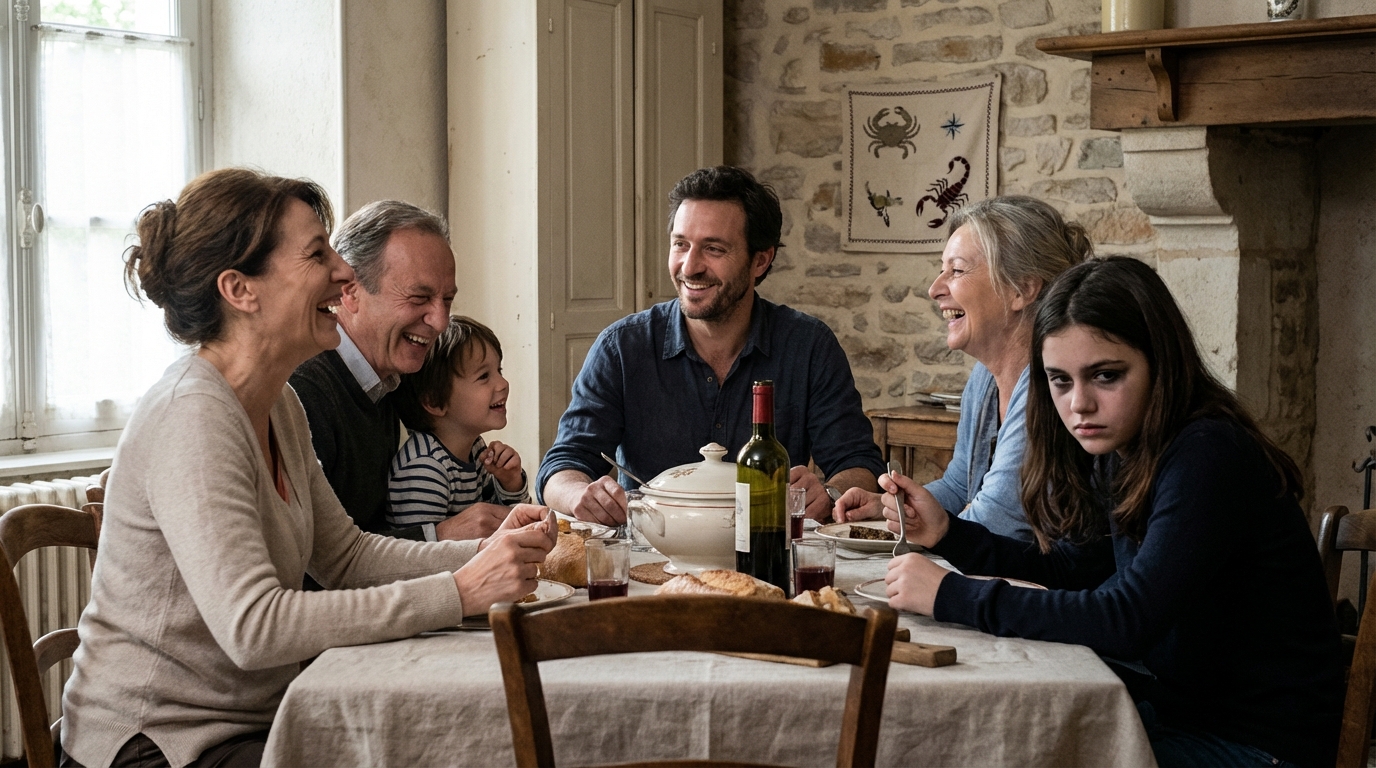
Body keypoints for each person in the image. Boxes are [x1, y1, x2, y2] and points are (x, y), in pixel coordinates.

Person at [60, 169, 556, 768]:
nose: (343, 273)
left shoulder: (278, 404)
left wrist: (488, 553)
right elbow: (256, 627)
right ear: (240, 289)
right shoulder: (191, 414)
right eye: (318, 254)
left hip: (251, 722)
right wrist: (457, 591)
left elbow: (345, 557)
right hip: (160, 744)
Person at [880, 257, 1344, 767]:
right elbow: (1075, 571)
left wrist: (950, 593)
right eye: (1059, 380)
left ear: (1159, 361)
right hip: (1182, 713)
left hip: (1258, 746)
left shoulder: (1208, 452)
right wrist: (948, 535)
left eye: (1105, 375)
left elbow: (1126, 618)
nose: (1079, 403)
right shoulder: (1125, 448)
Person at [537, 166, 884, 525]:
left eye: (714, 249)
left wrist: (829, 493)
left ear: (760, 260)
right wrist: (578, 492)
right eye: (680, 244)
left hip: (767, 556)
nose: (690, 266)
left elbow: (858, 463)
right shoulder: (622, 347)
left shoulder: (809, 346)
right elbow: (562, 465)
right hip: (652, 559)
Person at [835, 196, 1090, 542]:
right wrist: (890, 505)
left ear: (1022, 290)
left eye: (956, 270)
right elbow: (959, 486)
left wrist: (917, 525)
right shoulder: (985, 378)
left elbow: (994, 521)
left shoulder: (1048, 384)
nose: (935, 289)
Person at [290, 201, 507, 543]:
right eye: (419, 298)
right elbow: (317, 564)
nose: (440, 321)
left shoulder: (387, 379)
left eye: (447, 300)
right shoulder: (304, 392)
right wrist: (438, 536)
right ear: (350, 292)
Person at [387, 315, 529, 529]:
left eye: (498, 371)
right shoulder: (425, 468)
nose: (503, 383)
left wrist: (510, 482)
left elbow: (509, 528)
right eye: (483, 376)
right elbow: (419, 556)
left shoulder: (475, 448)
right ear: (435, 401)